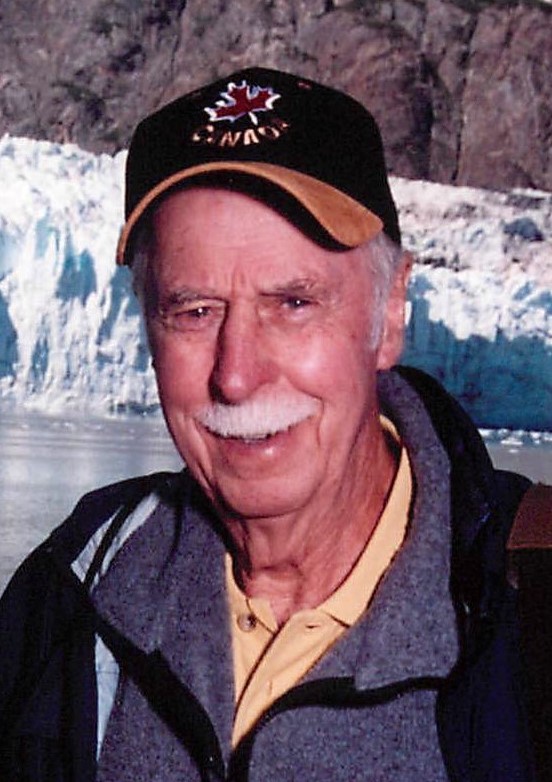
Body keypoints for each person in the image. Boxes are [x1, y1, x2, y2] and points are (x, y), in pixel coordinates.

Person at [0, 67, 536, 781]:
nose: (236, 375)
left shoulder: (529, 610)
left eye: (293, 304)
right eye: (195, 310)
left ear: (390, 313)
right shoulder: (75, 586)